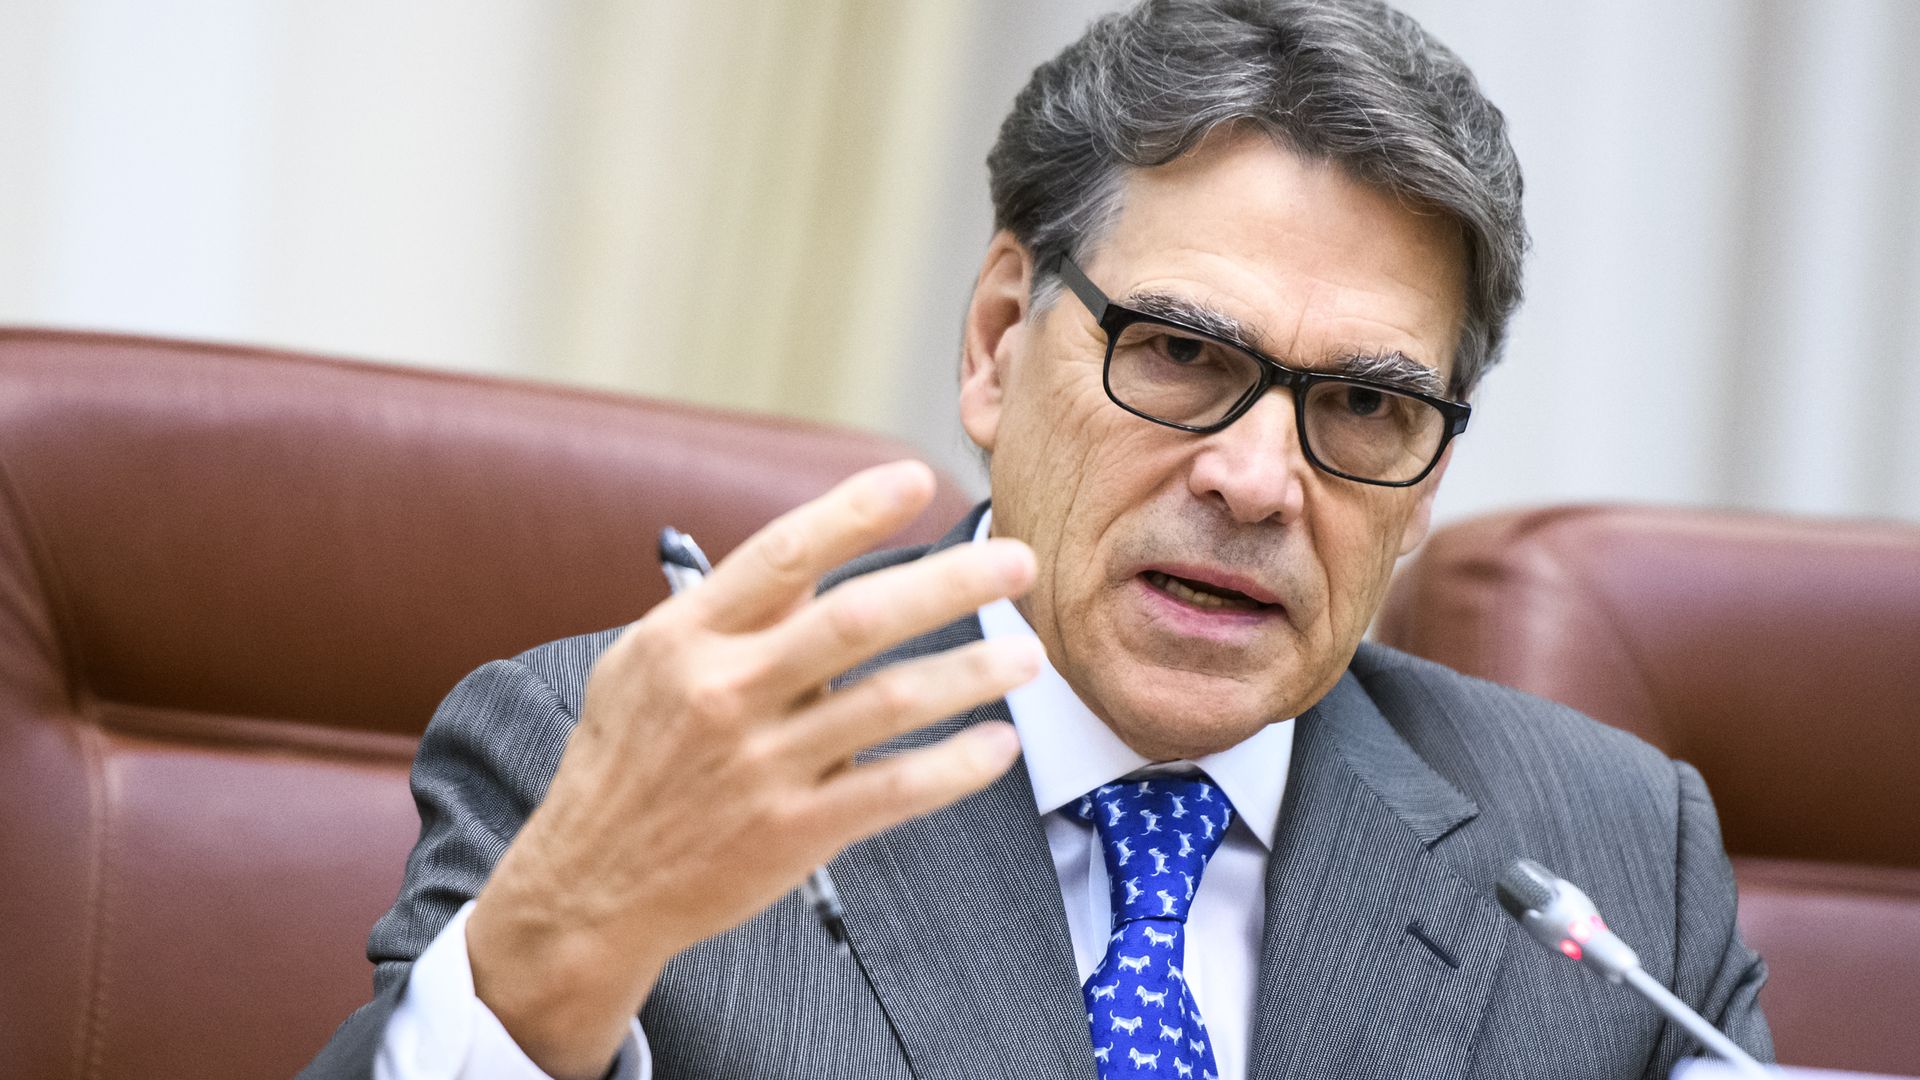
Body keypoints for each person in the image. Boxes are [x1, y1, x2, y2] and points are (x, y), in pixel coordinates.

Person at [302, 2, 1771, 1078]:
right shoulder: (628, 763)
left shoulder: (1621, 865)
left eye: (1367, 404)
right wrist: (548, 963)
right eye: (1184, 356)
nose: (1260, 481)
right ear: (1001, 344)